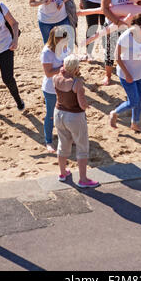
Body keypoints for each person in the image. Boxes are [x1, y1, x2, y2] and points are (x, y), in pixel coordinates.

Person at [53, 54, 99, 188]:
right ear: (75, 68)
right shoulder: (76, 82)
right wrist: (87, 106)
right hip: (74, 116)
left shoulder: (56, 78)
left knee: (63, 143)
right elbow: (82, 104)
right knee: (82, 145)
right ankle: (83, 179)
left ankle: (62, 173)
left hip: (59, 113)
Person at [101, 0, 140, 86]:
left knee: (128, 49)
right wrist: (117, 22)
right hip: (113, 23)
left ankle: (129, 72)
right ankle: (108, 75)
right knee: (110, 50)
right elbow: (104, 8)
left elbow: (140, 2)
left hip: (129, 24)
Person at [40, 26, 70, 153]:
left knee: (66, 114)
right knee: (51, 116)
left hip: (64, 86)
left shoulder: (64, 48)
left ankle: (67, 137)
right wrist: (62, 69)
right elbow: (48, 73)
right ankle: (49, 141)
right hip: (51, 88)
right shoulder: (47, 52)